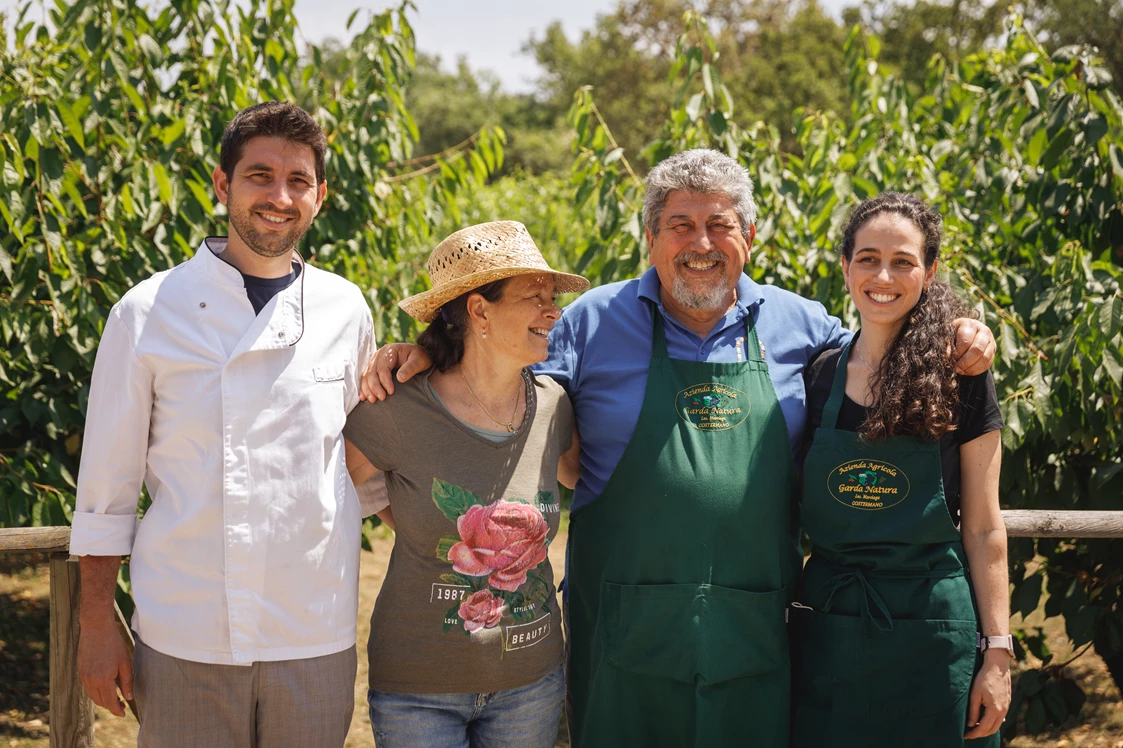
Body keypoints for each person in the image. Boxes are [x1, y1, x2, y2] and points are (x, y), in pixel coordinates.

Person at [365, 149, 996, 747]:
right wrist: (426, 353)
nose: (700, 243)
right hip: (619, 635)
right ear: (649, 238)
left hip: (754, 632)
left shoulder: (805, 327)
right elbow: (498, 378)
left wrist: (962, 330)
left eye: (719, 224)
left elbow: (887, 332)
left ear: (750, 236)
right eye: (680, 225)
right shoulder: (589, 320)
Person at [69, 102, 383, 747]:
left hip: (313, 629)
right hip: (185, 631)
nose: (279, 196)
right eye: (259, 175)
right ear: (222, 184)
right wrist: (98, 625)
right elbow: (106, 489)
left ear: (319, 196)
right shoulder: (146, 313)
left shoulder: (345, 308)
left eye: (298, 180)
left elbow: (360, 457)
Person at [343, 221, 589, 747]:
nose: (555, 312)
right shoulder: (398, 408)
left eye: (553, 299)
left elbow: (584, 474)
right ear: (479, 310)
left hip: (532, 684)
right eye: (535, 298)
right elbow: (325, 492)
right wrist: (403, 515)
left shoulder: (553, 406)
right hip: (420, 689)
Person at [792, 193, 1010, 747]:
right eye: (867, 258)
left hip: (934, 632)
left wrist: (998, 654)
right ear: (845, 267)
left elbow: (984, 526)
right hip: (830, 627)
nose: (882, 275)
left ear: (929, 271)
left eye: (903, 261)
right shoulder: (817, 376)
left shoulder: (961, 373)